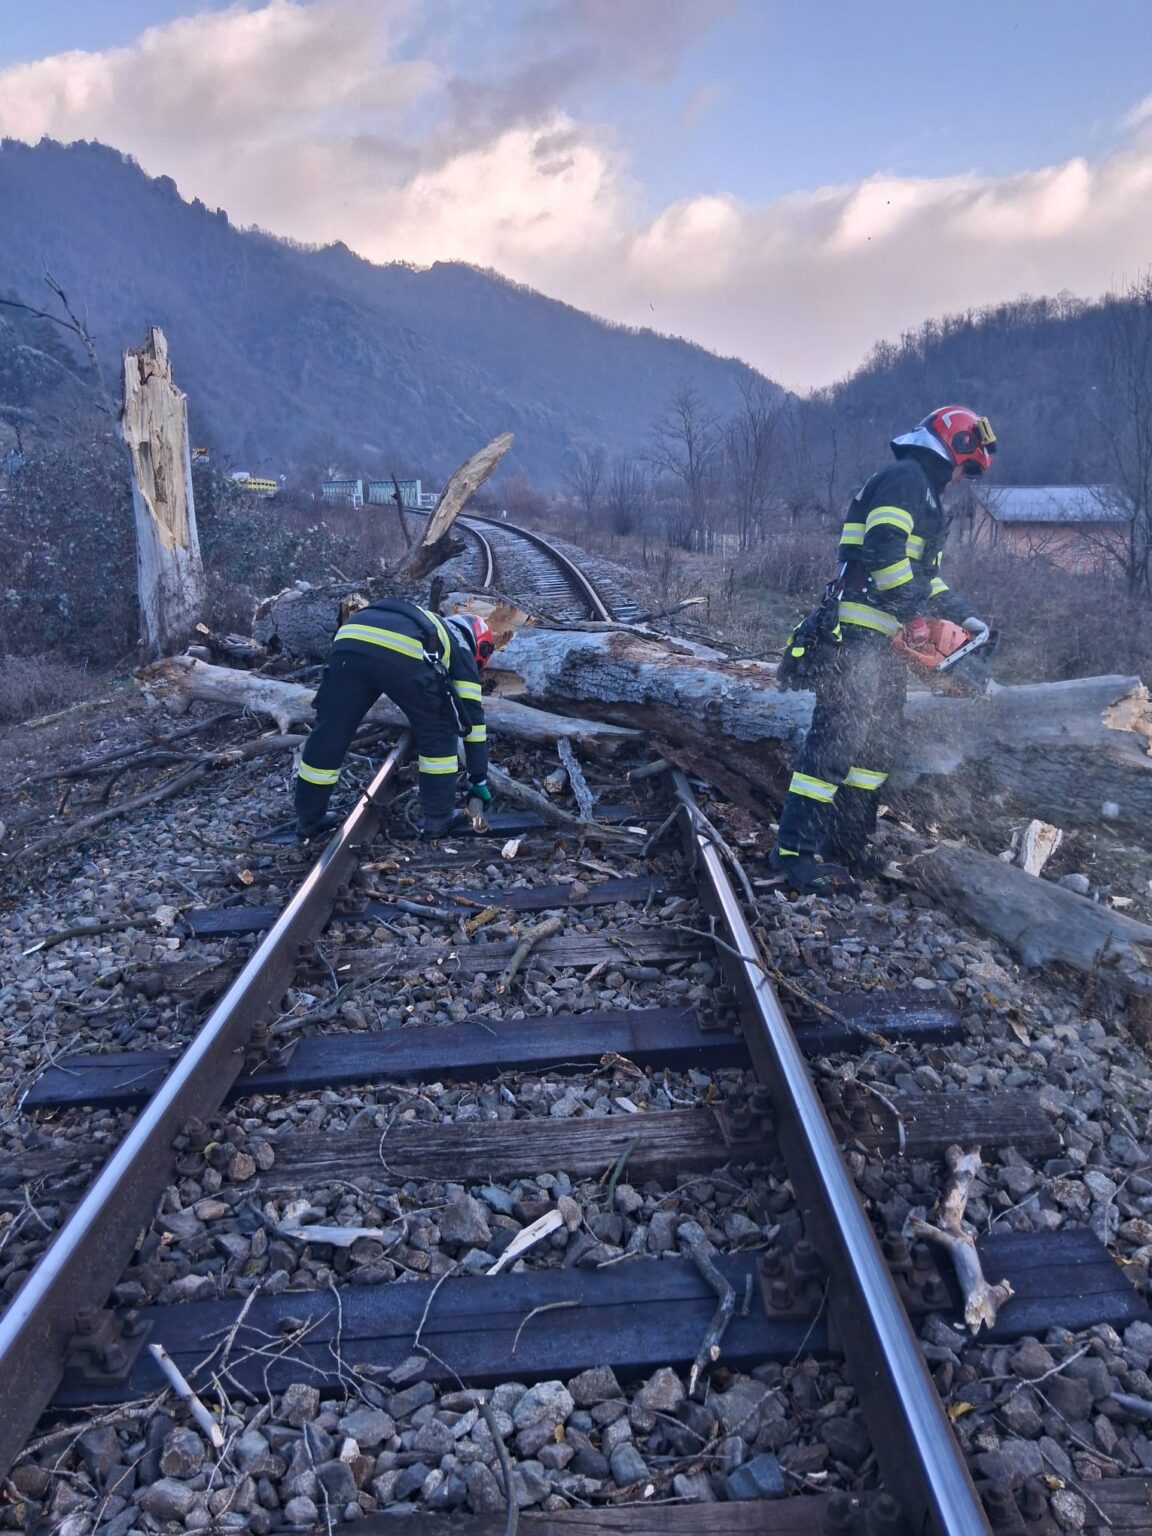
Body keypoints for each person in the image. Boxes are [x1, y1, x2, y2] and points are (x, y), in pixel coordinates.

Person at [771, 405, 997, 894]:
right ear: (953, 446)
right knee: (835, 744)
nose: (962, 479)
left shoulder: (929, 499)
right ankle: (794, 852)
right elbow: (883, 553)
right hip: (855, 635)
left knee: (876, 749)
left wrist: (963, 617)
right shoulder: (904, 478)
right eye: (966, 468)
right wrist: (917, 614)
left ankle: (847, 845)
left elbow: (925, 576)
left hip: (884, 644)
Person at [294, 599, 494, 840]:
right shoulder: (461, 646)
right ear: (479, 646)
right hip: (402, 649)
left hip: (349, 636)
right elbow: (472, 723)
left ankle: (309, 818)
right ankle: (438, 819)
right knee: (439, 729)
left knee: (331, 729)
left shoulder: (426, 622)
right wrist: (478, 779)